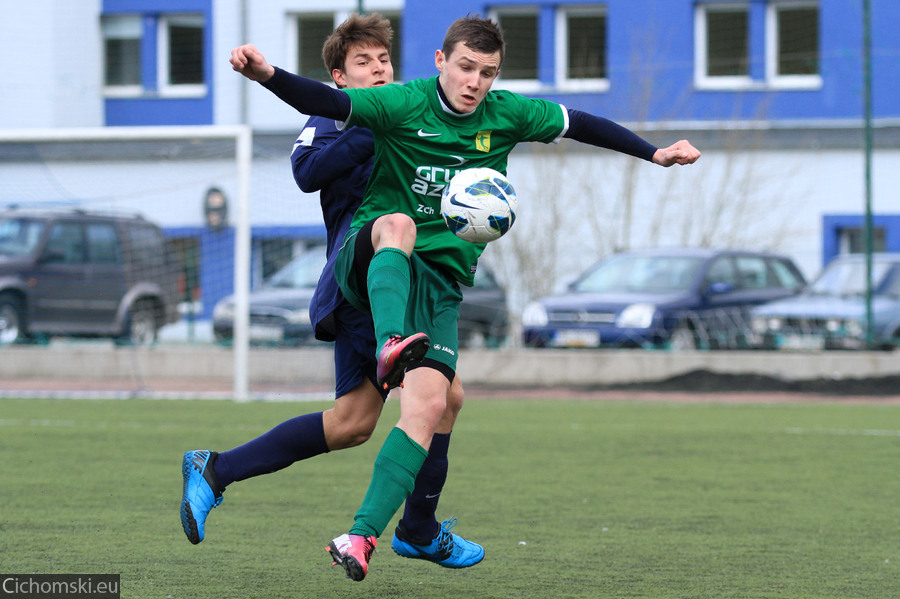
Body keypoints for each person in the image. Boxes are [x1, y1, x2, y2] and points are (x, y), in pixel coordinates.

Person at [230, 14, 700, 582]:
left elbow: (581, 123)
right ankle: (390, 346)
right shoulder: (402, 101)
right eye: (465, 68)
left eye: (487, 73)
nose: (474, 82)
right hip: (377, 256)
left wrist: (654, 154)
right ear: (440, 62)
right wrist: (266, 74)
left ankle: (375, 535)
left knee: (429, 407)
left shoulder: (509, 114)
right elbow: (325, 105)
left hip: (443, 284)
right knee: (399, 223)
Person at [181, 12, 483, 572]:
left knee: (353, 423)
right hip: (358, 281)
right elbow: (306, 171)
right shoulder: (337, 118)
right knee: (439, 399)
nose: (377, 70)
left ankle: (214, 470)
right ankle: (416, 528)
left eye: (383, 61)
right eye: (362, 63)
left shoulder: (412, 113)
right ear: (339, 79)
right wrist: (372, 134)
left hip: (404, 280)